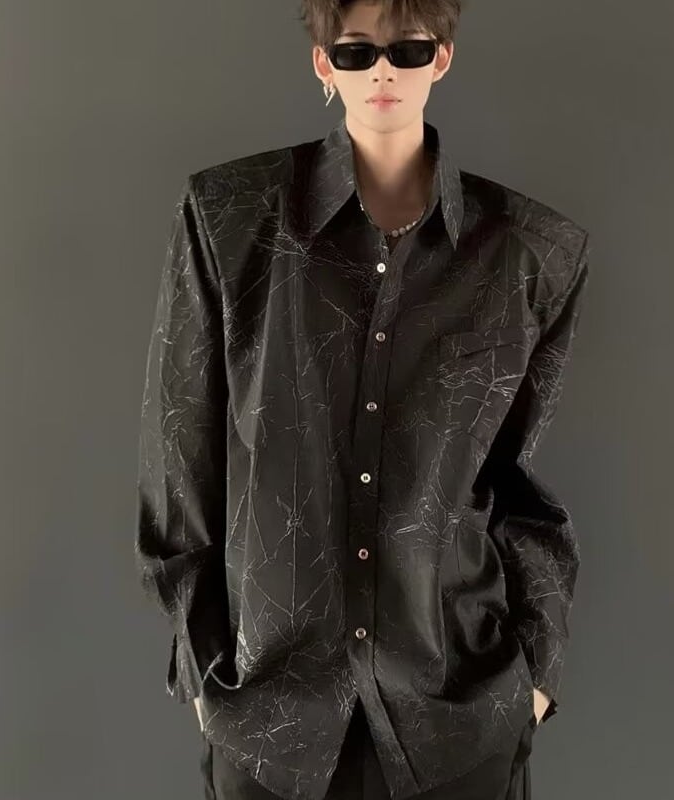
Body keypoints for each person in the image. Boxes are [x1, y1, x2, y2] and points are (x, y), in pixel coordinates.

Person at [134, 1, 591, 798]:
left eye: (407, 49)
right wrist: (206, 672)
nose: (383, 70)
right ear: (323, 63)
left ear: (441, 56)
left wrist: (536, 677)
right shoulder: (228, 220)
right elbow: (180, 466)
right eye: (355, 51)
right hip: (273, 723)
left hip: (459, 721)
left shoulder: (527, 254)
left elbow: (519, 487)